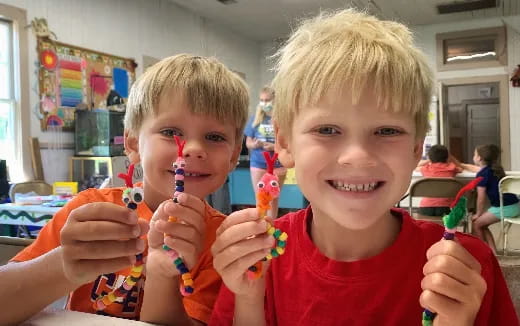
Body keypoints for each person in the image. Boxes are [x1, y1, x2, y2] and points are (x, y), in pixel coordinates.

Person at [209, 9, 518, 325]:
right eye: (327, 130)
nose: (357, 156)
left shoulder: (468, 265)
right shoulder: (257, 258)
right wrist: (248, 300)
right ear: (285, 144)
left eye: (387, 131)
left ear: (416, 148)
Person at [0, 54, 249, 325]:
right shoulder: (91, 211)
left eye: (214, 137)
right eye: (170, 132)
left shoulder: (222, 243)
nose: (193, 149)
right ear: (132, 144)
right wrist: (65, 264)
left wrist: (163, 274)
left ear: (234, 156)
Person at [458, 144, 519, 254]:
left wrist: (478, 214)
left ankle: (484, 253)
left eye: (474, 154)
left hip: (504, 208)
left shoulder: (482, 174)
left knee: (476, 223)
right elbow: (475, 169)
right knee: (482, 225)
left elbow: (481, 198)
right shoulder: (495, 169)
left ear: (480, 158)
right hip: (515, 205)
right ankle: (492, 253)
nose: (473, 157)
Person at [244, 86, 286, 218]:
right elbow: (248, 143)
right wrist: (255, 144)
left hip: (278, 164)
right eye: (261, 100)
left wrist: (274, 146)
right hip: (258, 163)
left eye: (267, 100)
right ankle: (260, 228)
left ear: (274, 101)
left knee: (273, 200)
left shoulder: (282, 120)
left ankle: (271, 228)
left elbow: (288, 144)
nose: (264, 103)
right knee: (261, 198)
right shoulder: (255, 119)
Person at [415, 144, 463, 217]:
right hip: (445, 207)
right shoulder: (451, 168)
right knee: (442, 225)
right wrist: (452, 159)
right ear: (447, 157)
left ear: (430, 158)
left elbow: (415, 166)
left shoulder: (427, 168)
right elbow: (460, 168)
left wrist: (428, 160)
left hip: (425, 207)